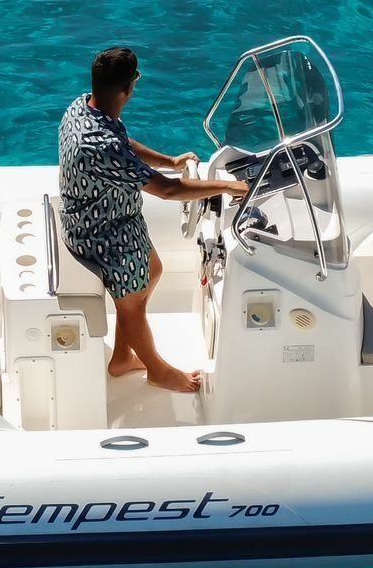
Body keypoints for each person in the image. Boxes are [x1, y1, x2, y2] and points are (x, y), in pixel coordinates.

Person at [58, 47, 247, 393]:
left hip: (105, 216)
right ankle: (157, 370)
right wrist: (228, 186)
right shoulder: (102, 146)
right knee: (133, 301)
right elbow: (169, 191)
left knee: (153, 271)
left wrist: (170, 161)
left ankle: (122, 357)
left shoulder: (81, 107)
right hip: (100, 233)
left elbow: (122, 144)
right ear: (129, 88)